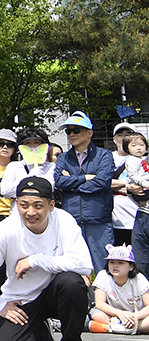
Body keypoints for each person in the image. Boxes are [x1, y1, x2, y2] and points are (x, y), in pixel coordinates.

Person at [0, 176, 94, 341]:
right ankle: (40, 331)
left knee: (73, 282)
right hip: (23, 300)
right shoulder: (7, 229)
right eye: (24, 205)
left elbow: (84, 265)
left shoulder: (64, 221)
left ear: (51, 205)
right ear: (16, 204)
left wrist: (36, 260)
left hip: (56, 293)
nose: (30, 212)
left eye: (38, 205)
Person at [54, 111, 115, 275]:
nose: (72, 134)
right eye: (68, 131)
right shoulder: (63, 158)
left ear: (90, 133)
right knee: (74, 267)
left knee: (103, 267)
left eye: (77, 130)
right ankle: (83, 301)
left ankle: (102, 300)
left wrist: (72, 184)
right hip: (71, 221)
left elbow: (102, 182)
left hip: (98, 220)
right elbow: (59, 181)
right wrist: (85, 178)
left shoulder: (104, 155)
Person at [89, 244, 148, 333]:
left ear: (131, 266)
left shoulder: (139, 278)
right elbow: (100, 303)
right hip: (113, 315)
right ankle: (133, 329)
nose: (115, 266)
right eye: (112, 262)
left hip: (136, 316)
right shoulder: (103, 275)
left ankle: (109, 328)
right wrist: (120, 313)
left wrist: (135, 317)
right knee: (96, 315)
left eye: (121, 262)